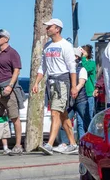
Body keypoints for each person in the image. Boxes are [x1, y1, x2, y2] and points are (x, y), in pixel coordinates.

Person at [31, 18, 78, 155]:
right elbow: (42, 67)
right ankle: (73, 143)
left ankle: (50, 144)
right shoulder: (47, 46)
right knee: (63, 114)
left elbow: (72, 68)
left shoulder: (66, 45)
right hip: (50, 82)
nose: (47, 29)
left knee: (55, 112)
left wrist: (74, 86)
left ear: (57, 29)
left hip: (62, 82)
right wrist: (36, 83)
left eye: (49, 27)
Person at [0, 29, 23, 155]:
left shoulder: (12, 53)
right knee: (0, 118)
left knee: (14, 117)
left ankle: (18, 145)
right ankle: (5, 146)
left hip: (8, 89)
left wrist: (10, 86)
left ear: (6, 39)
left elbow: (17, 70)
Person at [80, 44, 96, 118]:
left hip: (89, 93)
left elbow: (86, 69)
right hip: (80, 94)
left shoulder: (92, 63)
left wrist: (83, 58)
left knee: (89, 116)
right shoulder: (79, 64)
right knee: (80, 118)